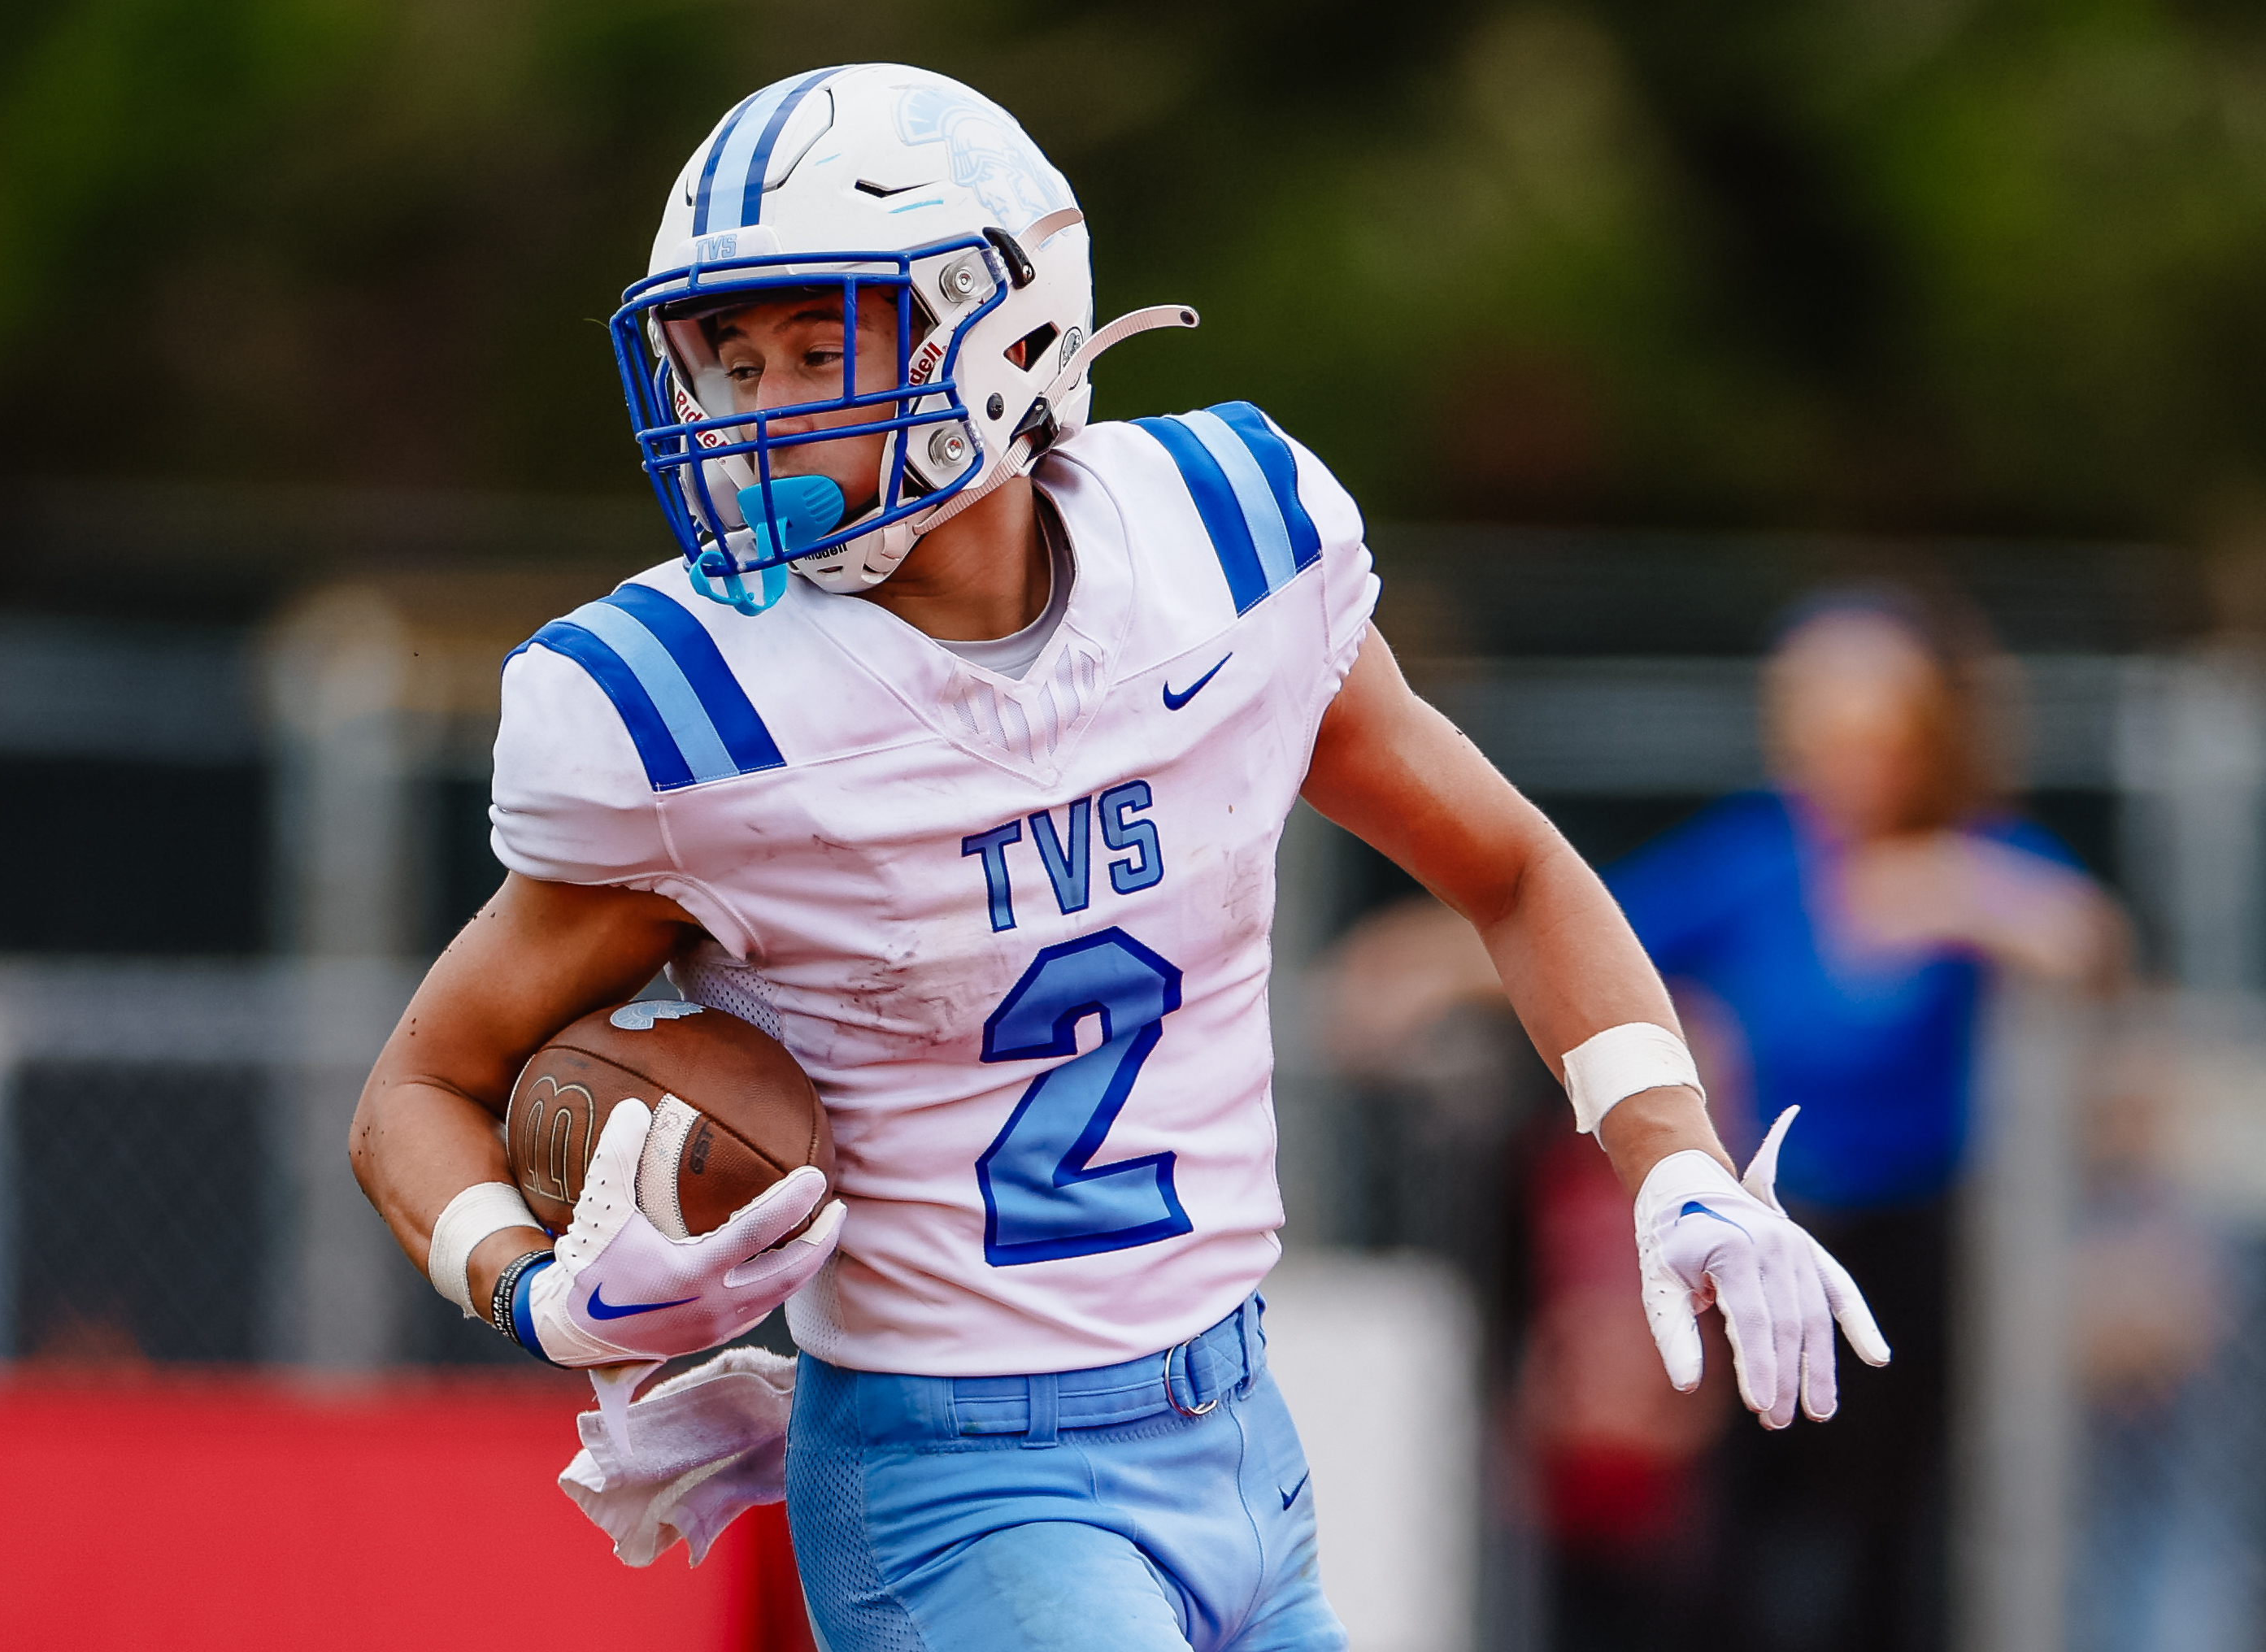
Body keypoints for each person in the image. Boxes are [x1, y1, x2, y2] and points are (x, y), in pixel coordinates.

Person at [348, 65, 1885, 1652]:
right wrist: (538, 1290)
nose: (757, 412)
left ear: (1004, 332)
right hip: (960, 1482)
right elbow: (419, 1086)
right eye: (730, 362)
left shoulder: (1220, 544)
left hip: (1243, 1434)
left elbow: (1509, 869)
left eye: (817, 349)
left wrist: (1674, 1158)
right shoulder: (689, 713)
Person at [1603, 593, 2120, 1652]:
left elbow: (2090, 946)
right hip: (1773, 1227)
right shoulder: (1760, 858)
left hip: (1919, 1241)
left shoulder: (1971, 854)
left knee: (1892, 1538)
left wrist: (1962, 893)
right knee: (1741, 1525)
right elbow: (1600, 938)